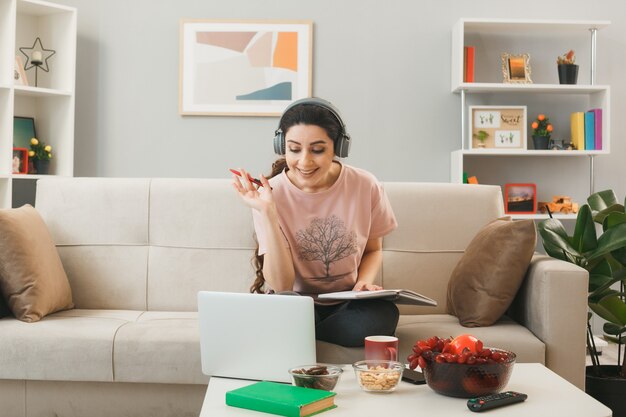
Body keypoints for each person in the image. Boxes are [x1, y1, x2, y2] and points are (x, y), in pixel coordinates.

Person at [232, 97, 399, 347]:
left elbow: (374, 250)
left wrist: (363, 282)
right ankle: (303, 330)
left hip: (348, 303)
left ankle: (300, 334)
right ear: (282, 146)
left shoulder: (366, 185)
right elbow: (281, 284)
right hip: (295, 303)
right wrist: (268, 211)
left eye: (318, 150)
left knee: (383, 316)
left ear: (338, 148)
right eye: (294, 149)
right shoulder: (269, 194)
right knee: (286, 311)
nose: (305, 162)